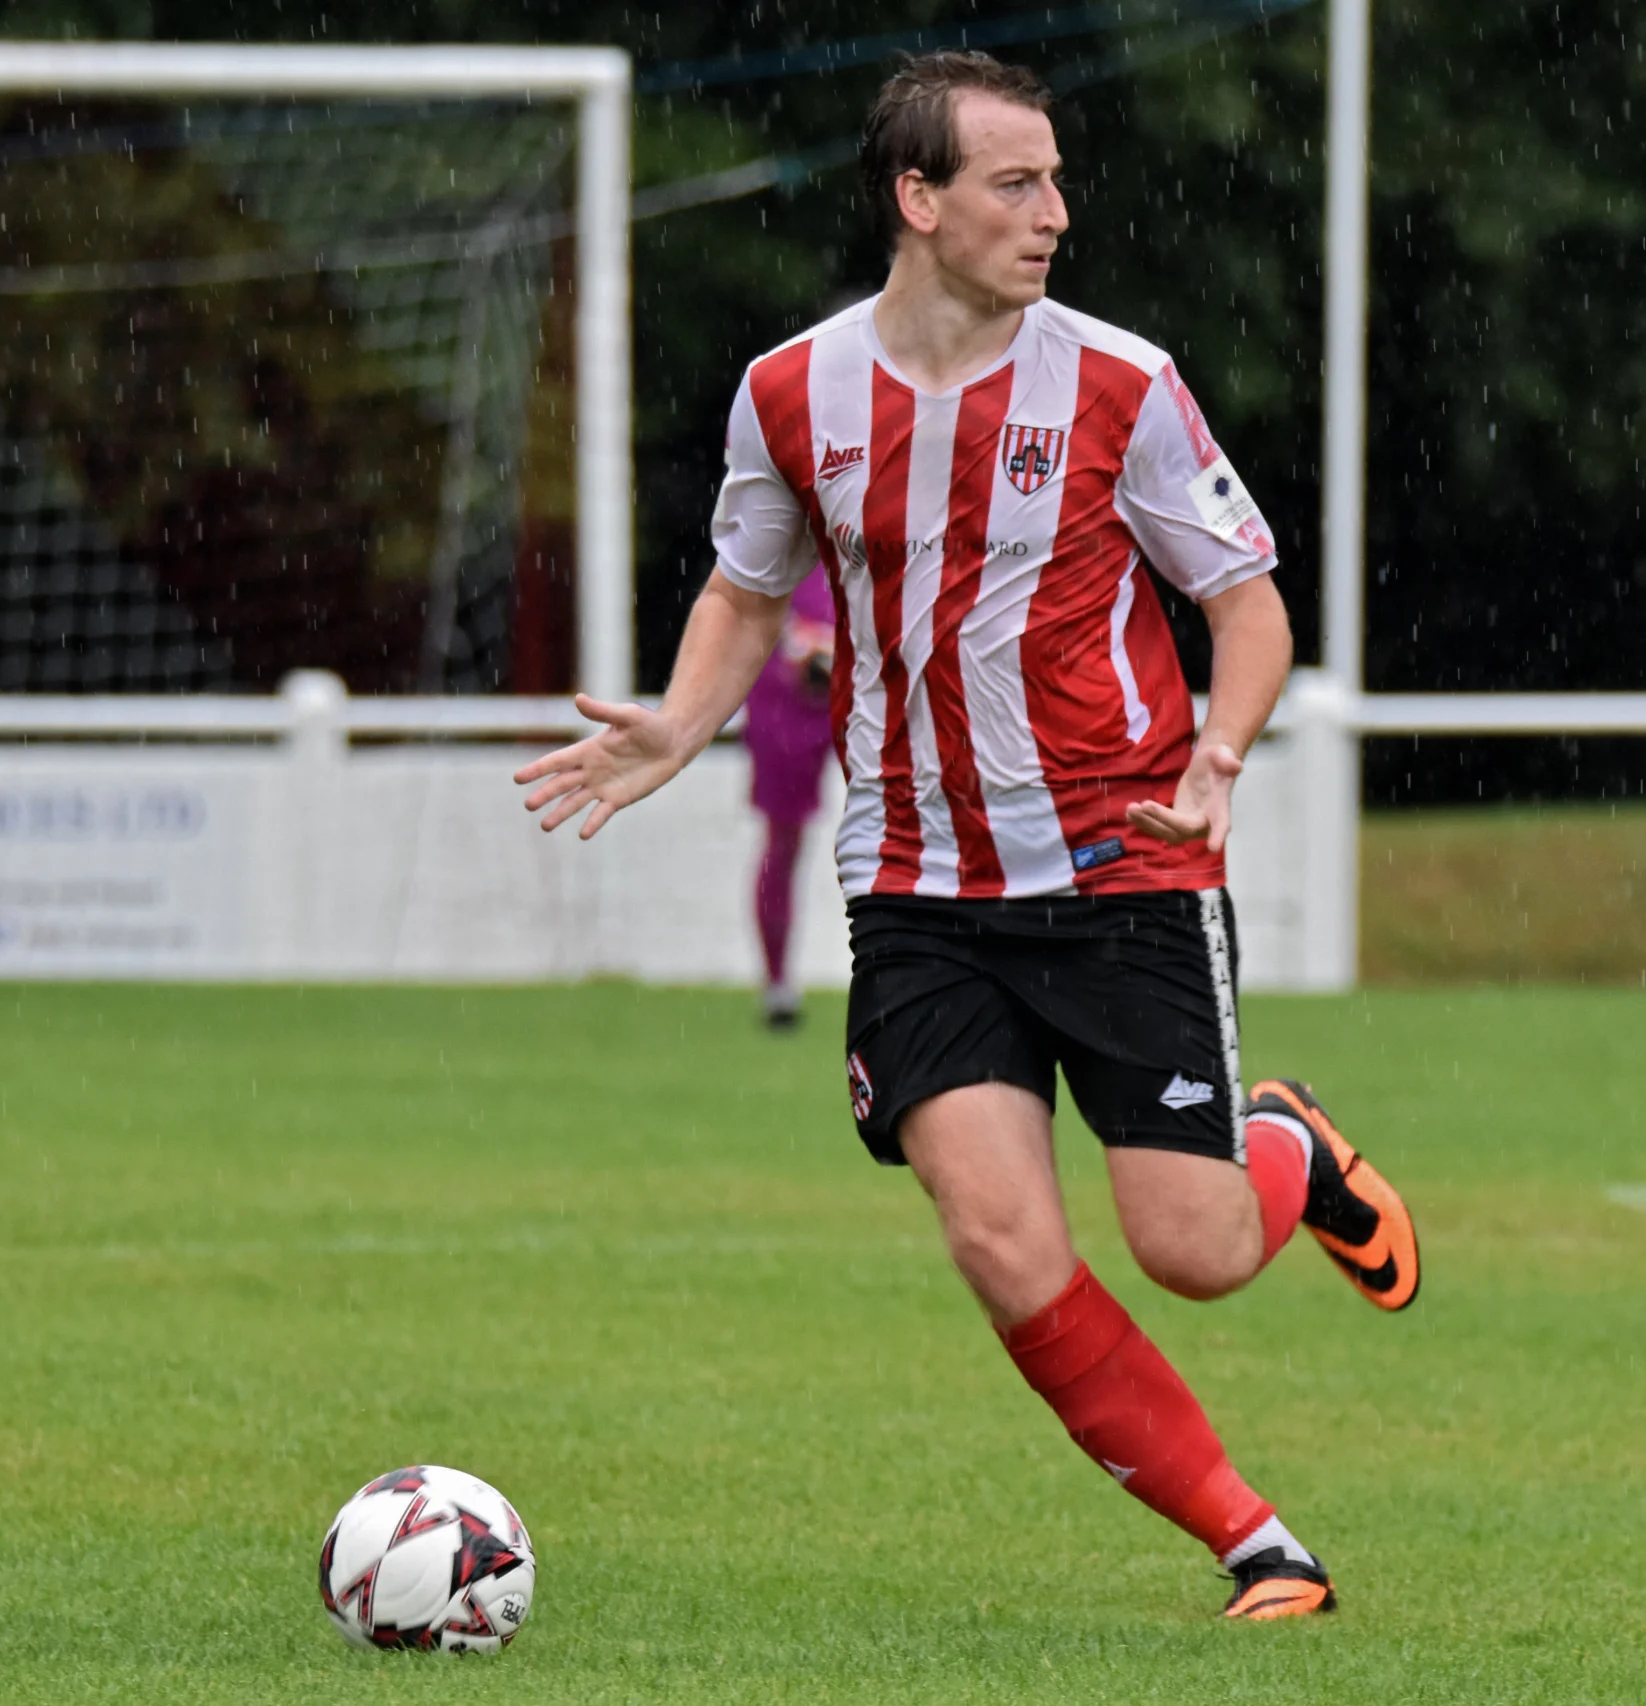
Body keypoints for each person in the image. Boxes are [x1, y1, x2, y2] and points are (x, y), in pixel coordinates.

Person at [516, 49, 1419, 1620]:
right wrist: (678, 716)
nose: (1054, 211)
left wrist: (1217, 754)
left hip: (1129, 866)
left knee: (1195, 1252)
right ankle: (1259, 1542)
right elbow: (745, 585)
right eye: (1017, 182)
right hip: (919, 891)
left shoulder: (1122, 384)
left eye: (1058, 181)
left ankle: (1287, 1142)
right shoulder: (791, 391)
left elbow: (1246, 603)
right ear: (916, 199)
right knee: (1001, 1243)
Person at [742, 562, 839, 1028]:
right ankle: (778, 982)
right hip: (786, 701)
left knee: (917, 819)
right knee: (785, 841)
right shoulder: (781, 531)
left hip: (868, 687)